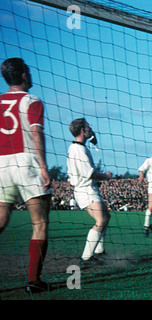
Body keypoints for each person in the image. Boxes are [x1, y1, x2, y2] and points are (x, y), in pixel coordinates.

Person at [0, 58, 52, 293]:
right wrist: (43, 165)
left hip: (2, 165)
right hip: (27, 163)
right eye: (28, 72)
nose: (30, 76)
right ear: (22, 75)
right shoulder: (32, 101)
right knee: (40, 223)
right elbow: (36, 133)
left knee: (1, 220)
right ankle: (34, 280)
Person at [67, 118, 112, 268]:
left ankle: (99, 251)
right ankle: (86, 258)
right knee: (101, 221)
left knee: (106, 217)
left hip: (88, 189)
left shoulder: (79, 147)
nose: (90, 128)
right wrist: (105, 176)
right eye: (87, 126)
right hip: (85, 191)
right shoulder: (79, 150)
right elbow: (89, 173)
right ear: (81, 130)